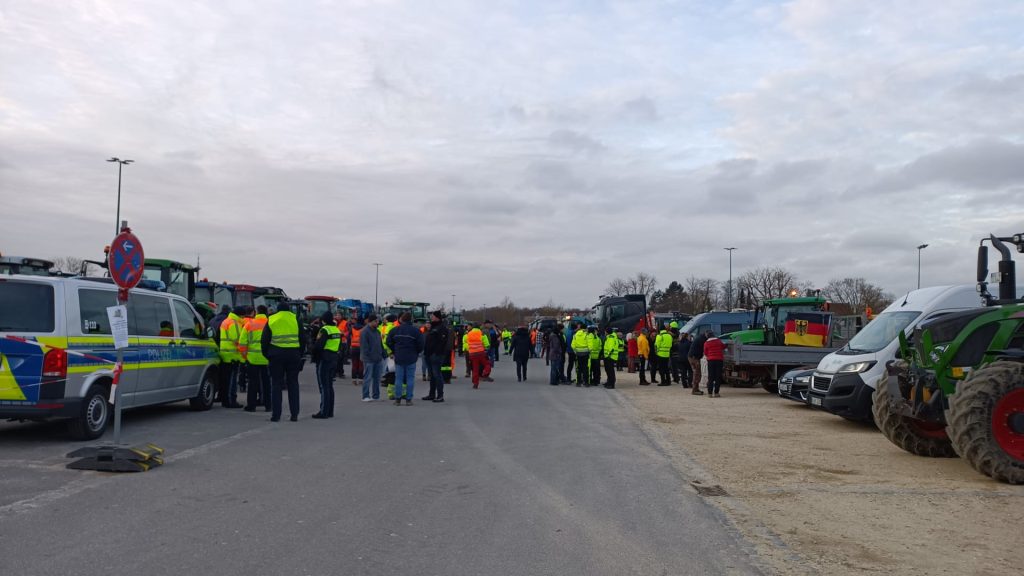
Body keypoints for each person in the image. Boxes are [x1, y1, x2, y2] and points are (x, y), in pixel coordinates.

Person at [262, 302, 306, 422]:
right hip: (293, 355)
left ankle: (276, 415)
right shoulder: (296, 319)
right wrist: (300, 354)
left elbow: (264, 340)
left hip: (276, 355)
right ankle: (294, 414)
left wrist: (268, 355)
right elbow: (303, 339)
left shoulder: (272, 319)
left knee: (276, 384)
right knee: (293, 383)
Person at [386, 312, 423, 406]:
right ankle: (408, 399)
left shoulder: (395, 330)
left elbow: (388, 341)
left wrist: (394, 350)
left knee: (398, 378)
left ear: (401, 319)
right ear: (411, 320)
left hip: (399, 357)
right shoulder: (416, 331)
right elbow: (421, 345)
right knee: (410, 378)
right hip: (411, 357)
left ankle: (397, 399)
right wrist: (416, 352)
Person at [240, 305, 270, 412]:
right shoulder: (271, 323)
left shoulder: (249, 324)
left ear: (256, 312)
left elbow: (242, 343)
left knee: (253, 383)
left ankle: (251, 406)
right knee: (267, 383)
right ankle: (268, 405)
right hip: (267, 358)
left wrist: (245, 357)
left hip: (252, 358)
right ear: (266, 312)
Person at [312, 311, 341, 418]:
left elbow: (318, 346)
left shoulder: (324, 330)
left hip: (325, 358)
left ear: (323, 320)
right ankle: (330, 411)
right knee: (329, 386)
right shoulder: (336, 329)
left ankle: (324, 412)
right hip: (334, 358)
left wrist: (313, 352)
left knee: (324, 386)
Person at [218, 306, 244, 408]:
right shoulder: (234, 323)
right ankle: (231, 401)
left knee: (226, 379)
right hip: (232, 355)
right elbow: (237, 339)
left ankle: (225, 400)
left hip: (225, 353)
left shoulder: (226, 321)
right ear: (240, 315)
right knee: (232, 380)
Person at [422, 311, 450, 402]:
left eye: (433, 316)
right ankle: (432, 394)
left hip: (436, 356)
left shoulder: (441, 328)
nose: (431, 318)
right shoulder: (433, 327)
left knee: (437, 375)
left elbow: (442, 343)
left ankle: (440, 395)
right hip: (429, 355)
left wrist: (436, 353)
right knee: (432, 376)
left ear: (437, 317)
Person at [360, 314, 384, 401]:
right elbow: (364, 347)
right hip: (369, 359)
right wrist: (368, 357)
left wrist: (384, 354)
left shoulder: (377, 331)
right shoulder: (365, 331)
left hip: (378, 358)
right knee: (367, 378)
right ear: (371, 322)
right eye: (376, 321)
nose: (378, 323)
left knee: (377, 378)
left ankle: (376, 396)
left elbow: (380, 344)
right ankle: (365, 396)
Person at [464, 323, 491, 388]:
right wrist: (485, 348)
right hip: (480, 353)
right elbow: (487, 344)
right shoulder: (482, 333)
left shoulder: (468, 334)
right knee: (487, 364)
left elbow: (465, 341)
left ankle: (475, 383)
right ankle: (485, 373)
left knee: (475, 369)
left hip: (472, 354)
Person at [704, 330, 725, 397]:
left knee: (711, 377)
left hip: (711, 361)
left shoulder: (706, 343)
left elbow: (705, 352)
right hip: (719, 360)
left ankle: (710, 393)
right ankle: (716, 393)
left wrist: (709, 356)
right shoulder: (718, 341)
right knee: (718, 377)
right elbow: (723, 347)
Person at [689, 330, 707, 396]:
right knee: (697, 374)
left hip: (693, 357)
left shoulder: (700, 338)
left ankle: (696, 389)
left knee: (697, 373)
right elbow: (705, 349)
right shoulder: (702, 340)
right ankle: (694, 390)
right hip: (694, 358)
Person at [349, 315, 364, 384]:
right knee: (361, 364)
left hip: (353, 348)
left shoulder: (352, 328)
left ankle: (354, 379)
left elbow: (349, 338)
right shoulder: (363, 329)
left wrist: (349, 346)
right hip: (361, 348)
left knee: (354, 364)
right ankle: (360, 379)